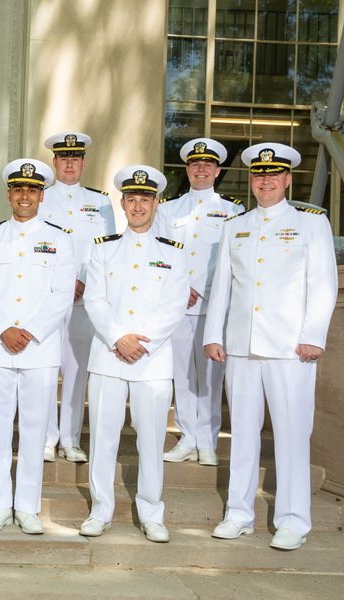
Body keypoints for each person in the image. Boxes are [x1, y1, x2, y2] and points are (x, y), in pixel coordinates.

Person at [204, 143, 338, 550]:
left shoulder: (311, 223)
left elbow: (323, 283)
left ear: (287, 179)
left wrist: (313, 336)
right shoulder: (235, 226)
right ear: (252, 179)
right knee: (242, 433)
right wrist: (214, 334)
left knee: (293, 434)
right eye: (259, 174)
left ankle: (293, 520)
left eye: (273, 174)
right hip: (241, 347)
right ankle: (239, 514)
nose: (265, 180)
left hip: (290, 348)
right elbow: (223, 287)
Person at [80, 165, 188, 543]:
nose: (138, 205)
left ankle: (152, 512)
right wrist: (118, 338)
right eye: (131, 199)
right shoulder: (102, 249)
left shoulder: (173, 253)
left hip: (152, 360)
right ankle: (100, 509)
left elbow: (176, 307)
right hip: (109, 356)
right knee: (103, 438)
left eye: (146, 199)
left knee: (151, 440)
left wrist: (143, 343)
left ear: (156, 203)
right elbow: (93, 299)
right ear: (122, 203)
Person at [0, 159, 75, 535]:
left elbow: (61, 294)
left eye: (31, 190)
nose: (24, 195)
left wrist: (28, 331)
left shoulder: (60, 239)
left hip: (40, 348)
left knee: (34, 429)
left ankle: (28, 506)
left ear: (41, 195)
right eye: (18, 189)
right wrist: (3, 330)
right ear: (9, 194)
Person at [154, 138, 245, 467]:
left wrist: (201, 287)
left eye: (208, 165)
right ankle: (187, 437)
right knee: (182, 373)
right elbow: (162, 254)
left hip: (214, 305)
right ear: (187, 170)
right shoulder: (167, 210)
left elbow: (232, 257)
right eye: (195, 165)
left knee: (210, 376)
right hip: (178, 305)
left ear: (217, 170)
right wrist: (182, 286)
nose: (201, 169)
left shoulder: (234, 211)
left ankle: (208, 440)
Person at [41, 132, 116, 463]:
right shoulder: (40, 196)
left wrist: (83, 281)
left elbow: (107, 249)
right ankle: (45, 437)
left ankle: (70, 438)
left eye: (75, 158)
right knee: (44, 368)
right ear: (54, 163)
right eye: (63, 158)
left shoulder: (100, 202)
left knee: (76, 371)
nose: (69, 164)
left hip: (85, 299)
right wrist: (63, 281)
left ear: (83, 163)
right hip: (47, 296)